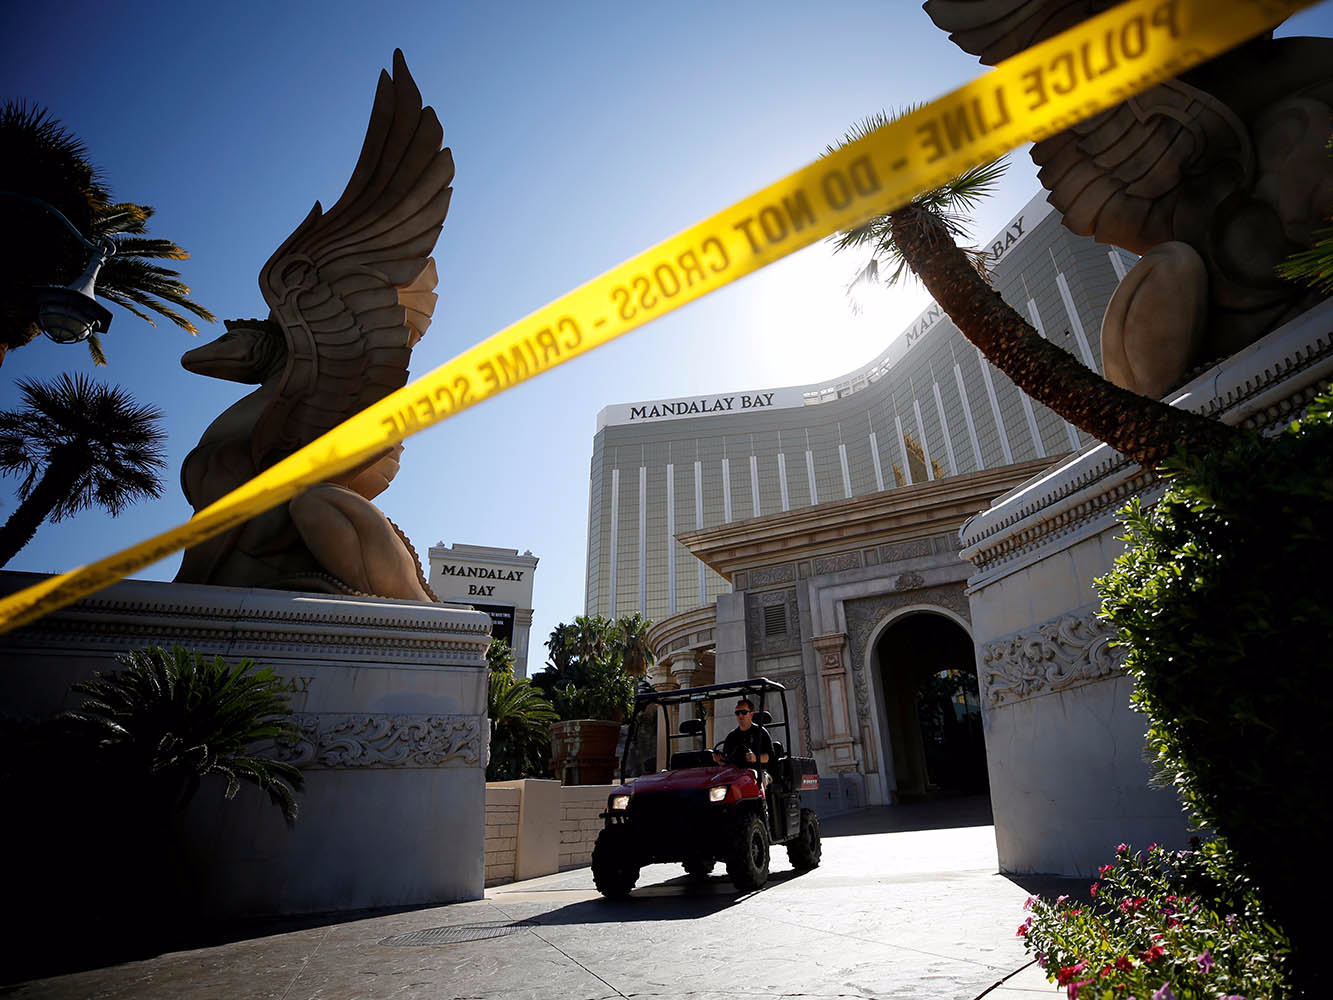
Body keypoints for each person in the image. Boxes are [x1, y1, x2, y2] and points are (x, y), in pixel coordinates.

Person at [713, 698, 773, 774]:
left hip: (757, 773)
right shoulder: (732, 736)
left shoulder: (760, 732)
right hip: (736, 774)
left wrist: (755, 758)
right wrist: (719, 760)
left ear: (751, 714)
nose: (740, 715)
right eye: (737, 713)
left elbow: (770, 757)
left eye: (744, 712)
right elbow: (727, 762)